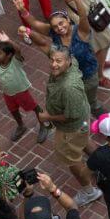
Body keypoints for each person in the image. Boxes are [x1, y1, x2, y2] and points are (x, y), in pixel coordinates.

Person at [38, 45, 103, 207]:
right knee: (84, 141)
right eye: (52, 60)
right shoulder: (71, 62)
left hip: (70, 127)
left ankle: (89, 192)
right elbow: (49, 47)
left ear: (68, 61)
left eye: (58, 61)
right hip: (82, 121)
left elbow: (69, 115)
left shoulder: (68, 88)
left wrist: (47, 116)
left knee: (71, 159)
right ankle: (102, 166)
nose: (54, 64)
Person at [0, 31, 50, 143]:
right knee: (13, 111)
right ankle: (21, 126)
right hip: (8, 94)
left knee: (34, 107)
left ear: (9, 55)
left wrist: (7, 41)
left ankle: (43, 125)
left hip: (21, 92)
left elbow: (18, 50)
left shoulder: (15, 61)